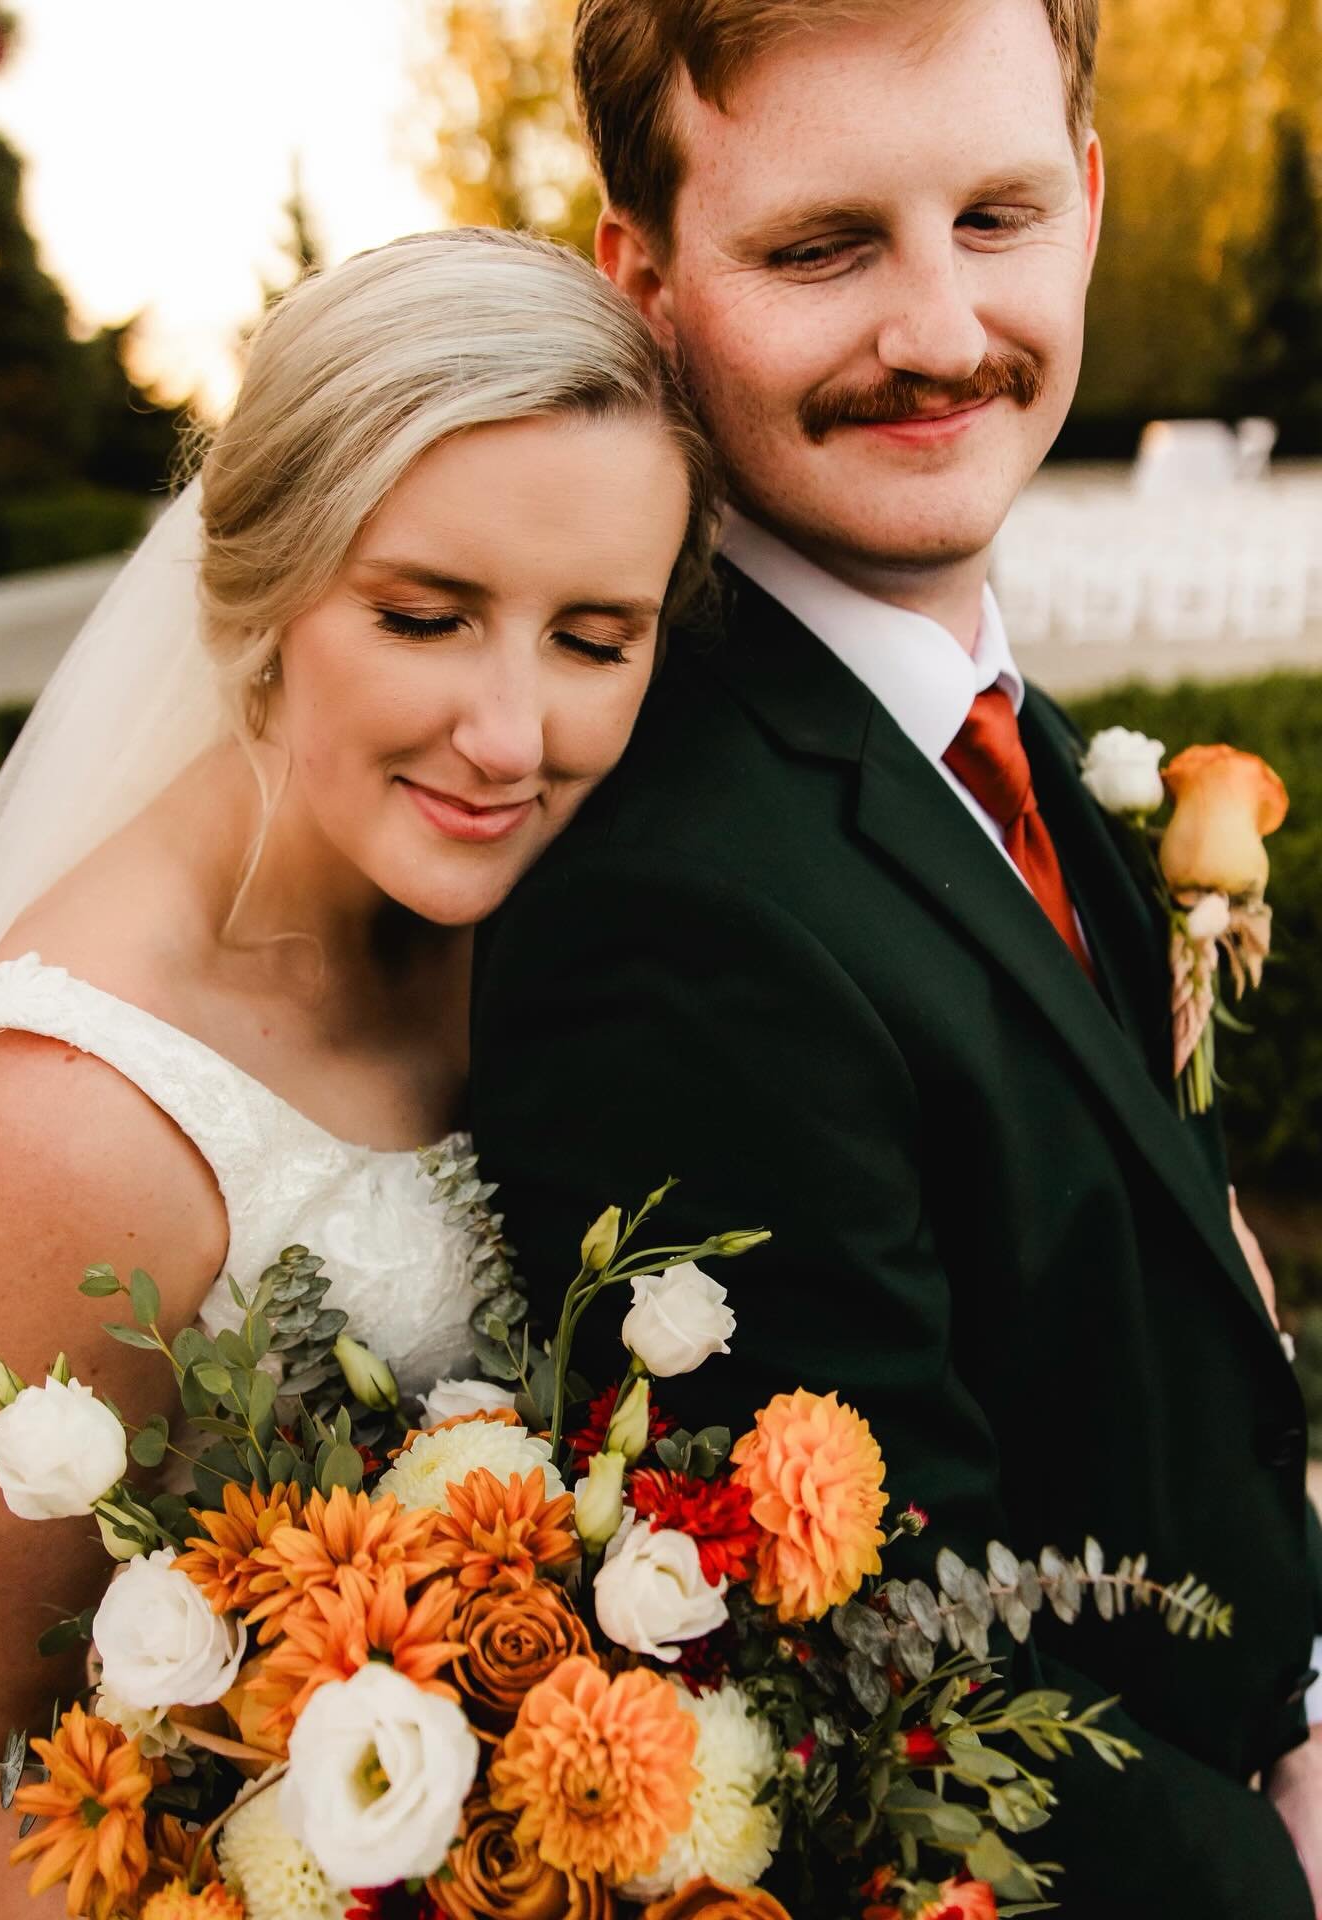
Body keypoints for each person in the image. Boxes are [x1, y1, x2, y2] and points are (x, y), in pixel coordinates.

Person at [469, 4, 1322, 1914]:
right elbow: (893, 1725)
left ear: (1090, 205)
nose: (941, 332)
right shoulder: (673, 914)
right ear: (649, 281)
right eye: (822, 248)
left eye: (999, 217)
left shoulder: (994, 742)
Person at [0, 226, 713, 1919]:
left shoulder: (561, 910)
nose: (510, 734)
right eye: (427, 616)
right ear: (253, 587)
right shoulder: (71, 1109)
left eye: (594, 638)